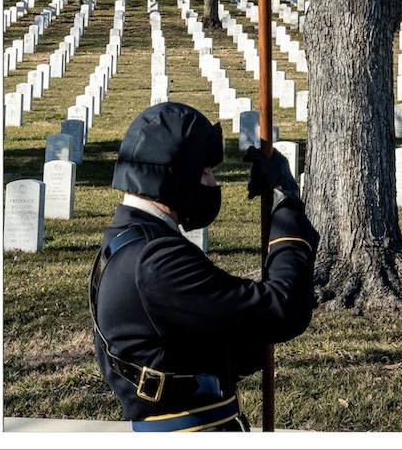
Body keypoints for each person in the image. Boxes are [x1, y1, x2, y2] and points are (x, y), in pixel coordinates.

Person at [89, 102, 319, 432]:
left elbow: (203, 337)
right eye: (206, 173)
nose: (213, 185)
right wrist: (287, 203)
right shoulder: (155, 261)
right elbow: (283, 307)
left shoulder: (126, 242)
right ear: (175, 176)